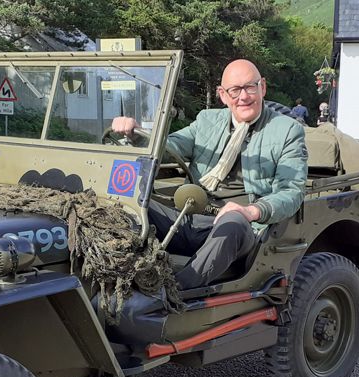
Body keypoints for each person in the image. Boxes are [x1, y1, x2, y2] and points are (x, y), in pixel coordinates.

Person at [111, 59, 308, 290]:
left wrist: (251, 211)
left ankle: (173, 292)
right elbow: (169, 147)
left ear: (262, 87)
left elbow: (291, 191)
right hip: (190, 216)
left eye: (250, 87)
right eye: (235, 90)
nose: (243, 97)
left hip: (240, 227)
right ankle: (115, 275)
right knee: (127, 205)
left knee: (233, 222)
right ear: (223, 95)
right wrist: (135, 135)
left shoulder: (287, 130)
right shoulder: (207, 120)